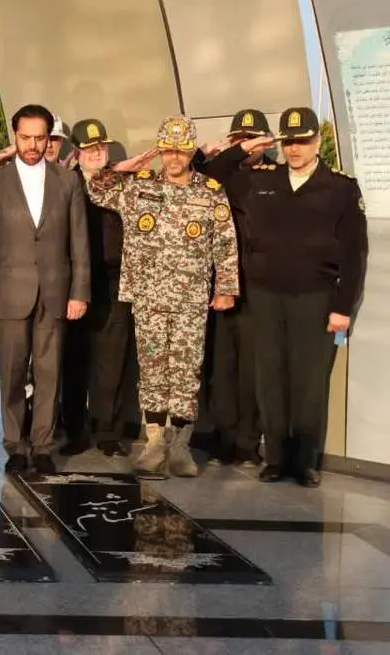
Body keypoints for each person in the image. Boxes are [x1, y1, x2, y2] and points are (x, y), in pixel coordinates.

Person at [206, 108, 366, 487]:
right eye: (288, 141)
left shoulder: (340, 188)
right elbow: (212, 176)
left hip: (315, 298)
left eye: (302, 141)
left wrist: (342, 308)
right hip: (265, 296)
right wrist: (244, 149)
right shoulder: (261, 179)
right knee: (270, 378)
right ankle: (276, 458)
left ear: (317, 141)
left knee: (309, 382)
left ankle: (305, 461)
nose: (295, 149)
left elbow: (355, 253)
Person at [85, 116, 239, 480]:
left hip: (190, 300)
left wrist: (226, 287)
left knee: (186, 371)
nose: (173, 157)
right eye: (167, 150)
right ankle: (154, 443)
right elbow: (95, 188)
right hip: (148, 297)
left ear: (191, 151)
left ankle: (181, 445)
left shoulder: (210, 191)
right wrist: (126, 166)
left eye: (181, 150)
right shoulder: (138, 186)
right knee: (152, 370)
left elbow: (225, 241)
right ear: (159, 150)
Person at [0, 104, 90, 475]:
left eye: (40, 138)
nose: (33, 145)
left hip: (56, 292)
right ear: (15, 136)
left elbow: (79, 242)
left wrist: (79, 292)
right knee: (11, 372)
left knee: (48, 374)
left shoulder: (67, 181)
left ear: (49, 138)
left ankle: (42, 446)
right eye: (26, 137)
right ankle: (15, 445)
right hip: (9, 291)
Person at [194, 108, 276, 467]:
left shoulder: (276, 175)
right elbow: (196, 174)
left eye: (253, 139)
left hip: (257, 287)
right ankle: (223, 437)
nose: (247, 146)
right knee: (221, 366)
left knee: (251, 368)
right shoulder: (220, 173)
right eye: (240, 139)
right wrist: (229, 152)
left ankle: (247, 441)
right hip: (220, 285)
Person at [65, 119, 137, 458]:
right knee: (75, 359)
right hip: (74, 281)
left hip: (115, 278)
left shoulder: (123, 182)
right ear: (77, 152)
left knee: (113, 358)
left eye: (101, 147)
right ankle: (75, 430)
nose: (97, 153)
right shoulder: (65, 183)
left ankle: (109, 431)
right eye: (90, 148)